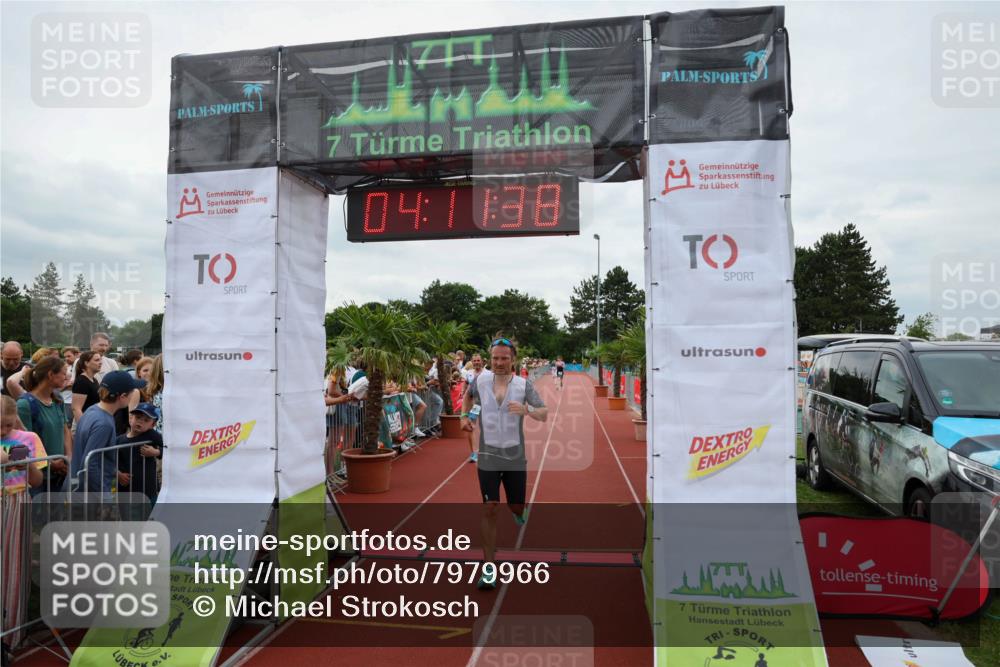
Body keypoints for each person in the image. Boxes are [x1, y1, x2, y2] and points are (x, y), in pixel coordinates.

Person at [461, 337, 547, 590]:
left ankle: (519, 512)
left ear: (513, 360)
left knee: (515, 506)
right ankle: (489, 568)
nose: (499, 363)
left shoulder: (523, 384)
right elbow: (467, 399)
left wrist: (527, 410)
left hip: (514, 456)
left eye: (504, 358)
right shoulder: (481, 380)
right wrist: (463, 416)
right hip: (487, 455)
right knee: (489, 508)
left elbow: (544, 413)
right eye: (495, 358)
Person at [1, 395, 47, 651]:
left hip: (16, 500)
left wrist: (25, 463)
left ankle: (12, 635)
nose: (4, 430)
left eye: (8, 424)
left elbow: (37, 480)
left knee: (14, 566)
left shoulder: (28, 438)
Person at [70, 371, 145, 497]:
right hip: (89, 494)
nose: (134, 395)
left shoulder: (92, 409)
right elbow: (90, 463)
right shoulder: (103, 423)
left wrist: (115, 472)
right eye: (132, 392)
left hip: (79, 487)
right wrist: (104, 497)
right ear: (122, 396)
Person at [15, 357, 71, 494]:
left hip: (59, 474)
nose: (67, 376)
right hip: (37, 478)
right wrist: (51, 464)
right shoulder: (25, 404)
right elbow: (22, 444)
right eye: (64, 373)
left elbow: (65, 430)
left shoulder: (57, 399)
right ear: (51, 375)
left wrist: (68, 457)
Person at [116, 403, 162, 504]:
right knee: (128, 518)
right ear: (130, 418)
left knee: (149, 517)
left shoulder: (152, 435)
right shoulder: (119, 440)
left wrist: (156, 452)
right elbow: (110, 460)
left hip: (148, 490)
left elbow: (168, 449)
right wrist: (118, 474)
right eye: (138, 417)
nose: (140, 422)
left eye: (146, 420)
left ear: (152, 425)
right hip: (126, 491)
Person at [464, 353, 485, 462]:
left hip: (486, 406)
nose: (476, 362)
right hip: (475, 407)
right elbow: (466, 388)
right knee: (470, 427)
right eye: (474, 361)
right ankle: (473, 453)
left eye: (478, 360)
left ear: (482, 361)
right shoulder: (469, 373)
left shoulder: (488, 373)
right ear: (472, 362)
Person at [72, 350, 102, 424]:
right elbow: (76, 408)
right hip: (85, 424)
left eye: (100, 359)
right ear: (86, 363)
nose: (100, 362)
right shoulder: (82, 381)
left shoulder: (94, 379)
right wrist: (84, 427)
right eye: (97, 360)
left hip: (93, 422)